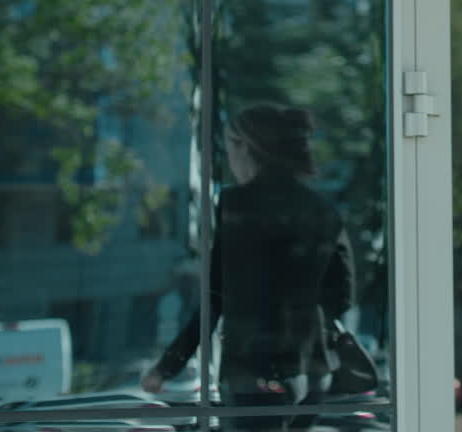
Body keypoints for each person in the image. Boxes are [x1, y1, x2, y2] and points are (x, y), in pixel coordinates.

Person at [143, 103, 354, 431]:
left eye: (229, 147)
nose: (228, 158)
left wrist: (166, 367)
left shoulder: (237, 206)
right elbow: (343, 296)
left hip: (258, 377)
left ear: (247, 146)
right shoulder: (323, 209)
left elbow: (215, 296)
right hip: (312, 376)